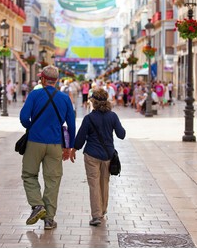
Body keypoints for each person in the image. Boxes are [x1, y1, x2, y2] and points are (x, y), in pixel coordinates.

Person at [20, 65, 75, 230]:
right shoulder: (65, 99)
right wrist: (70, 147)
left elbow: (23, 117)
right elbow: (71, 125)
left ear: (43, 79)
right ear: (56, 80)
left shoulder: (35, 94)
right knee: (53, 180)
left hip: (35, 142)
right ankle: (49, 220)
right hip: (55, 143)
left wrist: (32, 127)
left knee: (29, 175)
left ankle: (37, 205)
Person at [69, 88, 126, 226]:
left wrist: (73, 149)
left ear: (93, 102)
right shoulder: (113, 116)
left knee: (94, 184)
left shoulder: (89, 118)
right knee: (104, 183)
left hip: (92, 155)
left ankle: (96, 215)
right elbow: (121, 134)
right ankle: (103, 210)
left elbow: (81, 137)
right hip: (107, 156)